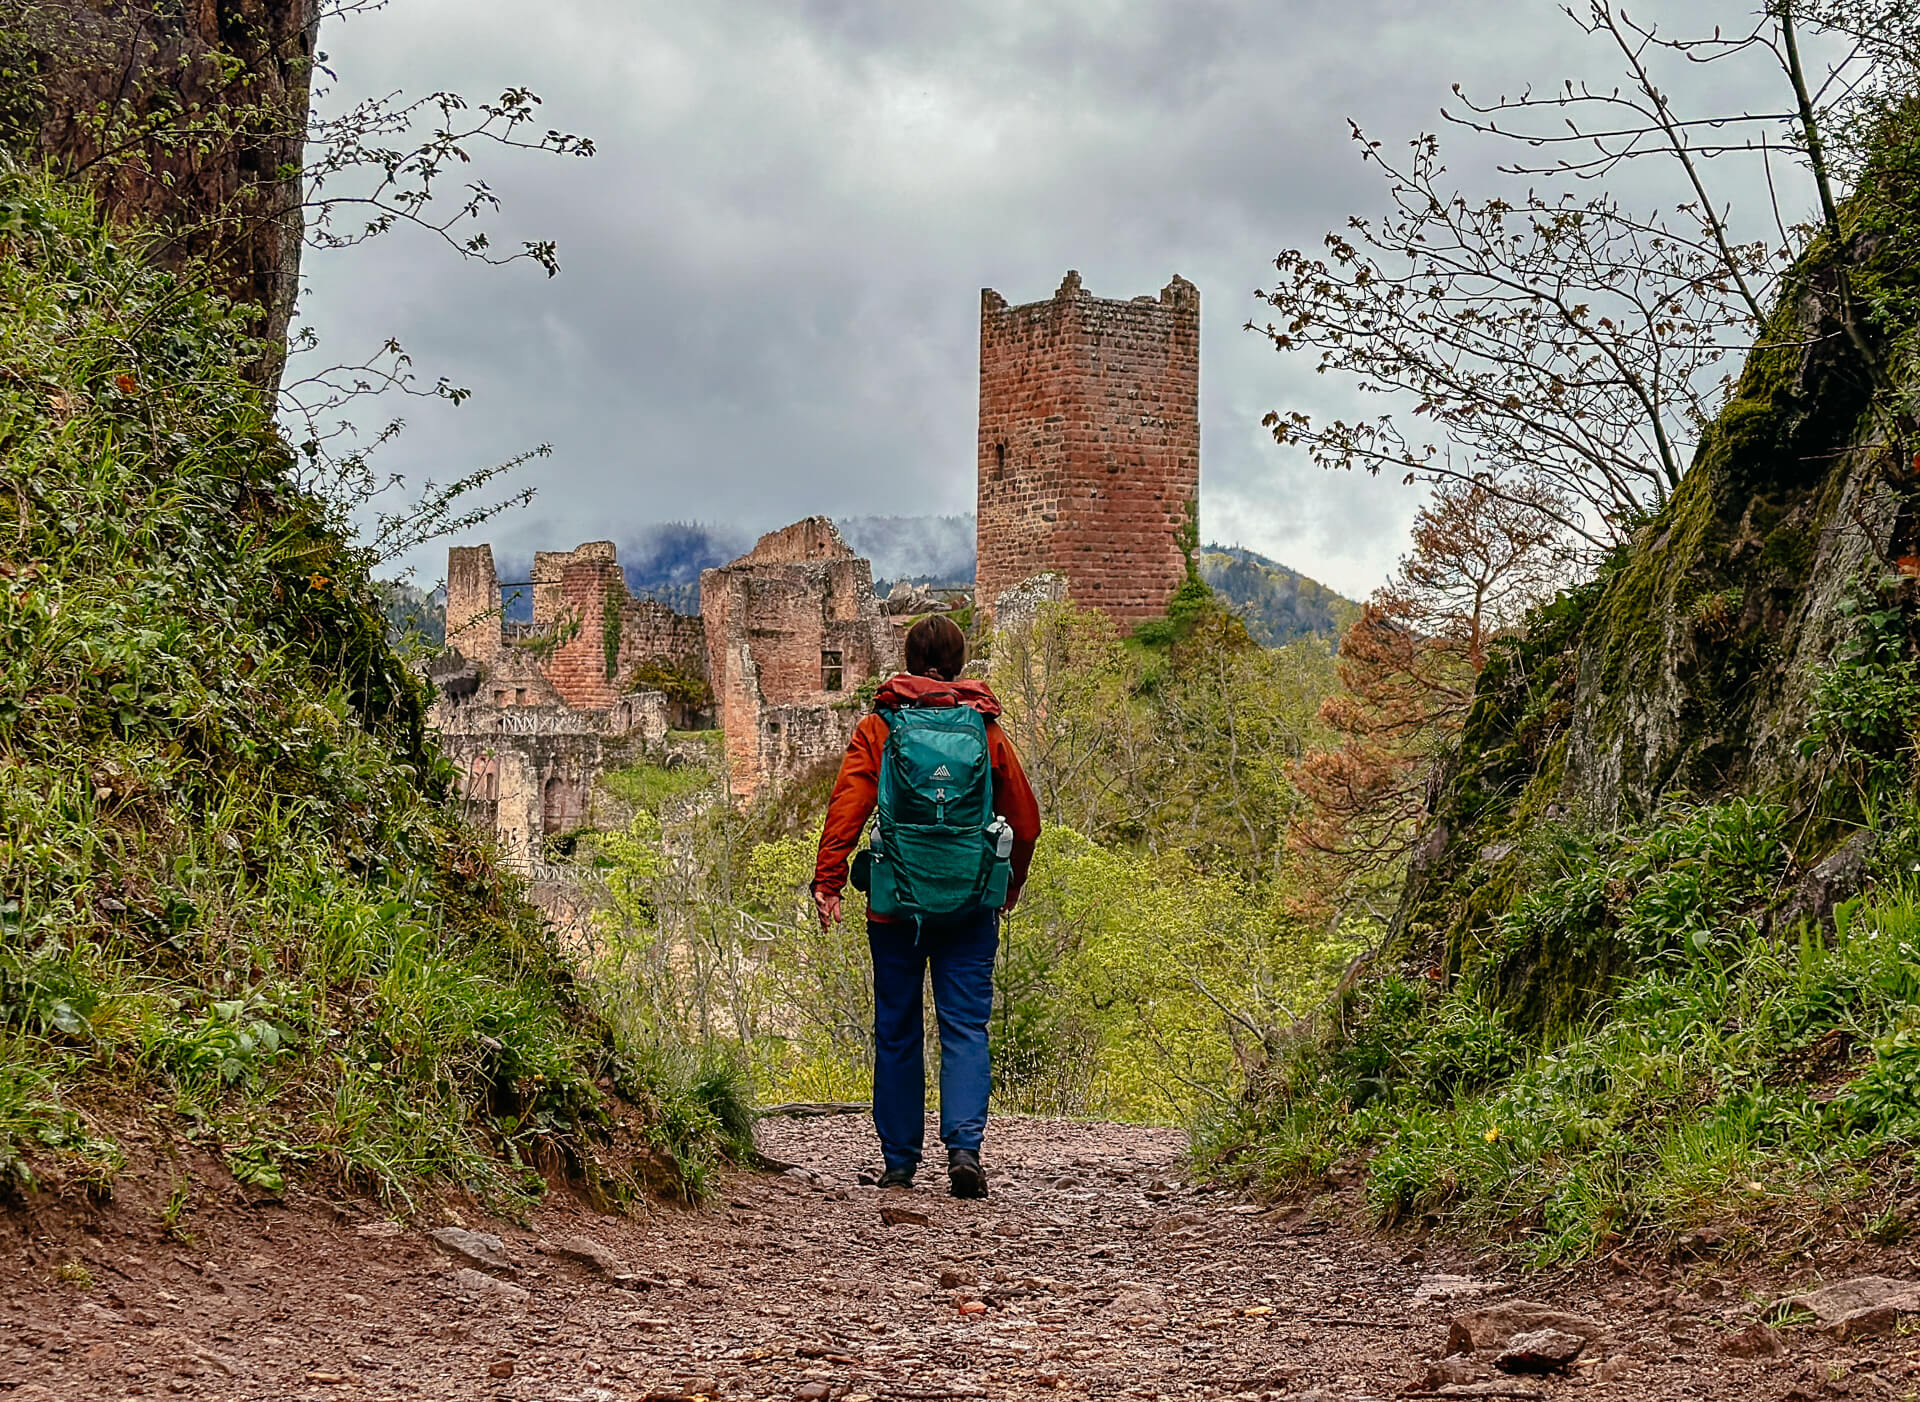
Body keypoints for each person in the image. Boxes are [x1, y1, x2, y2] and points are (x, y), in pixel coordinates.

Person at [813, 615, 1041, 1199]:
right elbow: (1026, 819)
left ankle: (899, 1162)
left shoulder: (880, 726)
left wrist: (830, 878)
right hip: (969, 900)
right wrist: (1007, 885)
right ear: (960, 663)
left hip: (895, 902)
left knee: (896, 1028)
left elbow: (849, 804)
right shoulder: (984, 729)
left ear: (908, 660)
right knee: (965, 1025)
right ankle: (964, 1149)